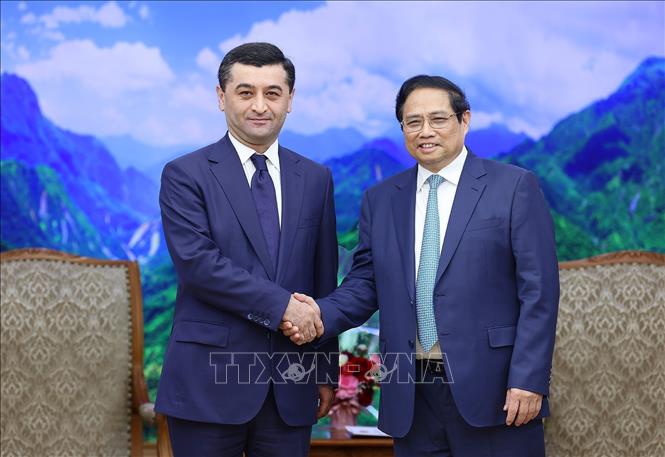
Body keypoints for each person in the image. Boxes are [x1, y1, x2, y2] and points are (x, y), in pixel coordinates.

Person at [282, 75, 559, 456]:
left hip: (496, 392)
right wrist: (316, 314)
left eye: (438, 119)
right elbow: (366, 283)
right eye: (413, 122)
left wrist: (528, 379)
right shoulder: (381, 199)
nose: (425, 131)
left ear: (464, 120)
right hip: (412, 396)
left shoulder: (513, 187)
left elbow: (540, 291)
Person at [155, 42, 339, 457]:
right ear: (221, 97)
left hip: (291, 383)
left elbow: (323, 278)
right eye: (245, 92)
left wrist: (325, 369)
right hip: (207, 383)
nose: (260, 105)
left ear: (290, 100)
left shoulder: (315, 178)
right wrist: (283, 306)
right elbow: (200, 267)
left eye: (272, 93)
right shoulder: (185, 174)